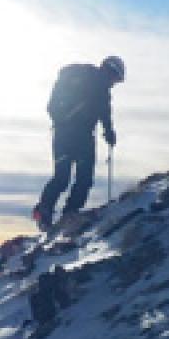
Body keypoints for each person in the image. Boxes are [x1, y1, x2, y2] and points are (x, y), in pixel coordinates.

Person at [32, 55, 125, 231]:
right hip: (79, 137)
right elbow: (104, 113)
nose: (114, 83)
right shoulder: (99, 88)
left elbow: (104, 113)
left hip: (64, 135)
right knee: (82, 178)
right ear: (110, 71)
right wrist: (109, 133)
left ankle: (47, 212)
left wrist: (64, 121)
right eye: (115, 78)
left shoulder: (91, 84)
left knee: (63, 177)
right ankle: (69, 212)